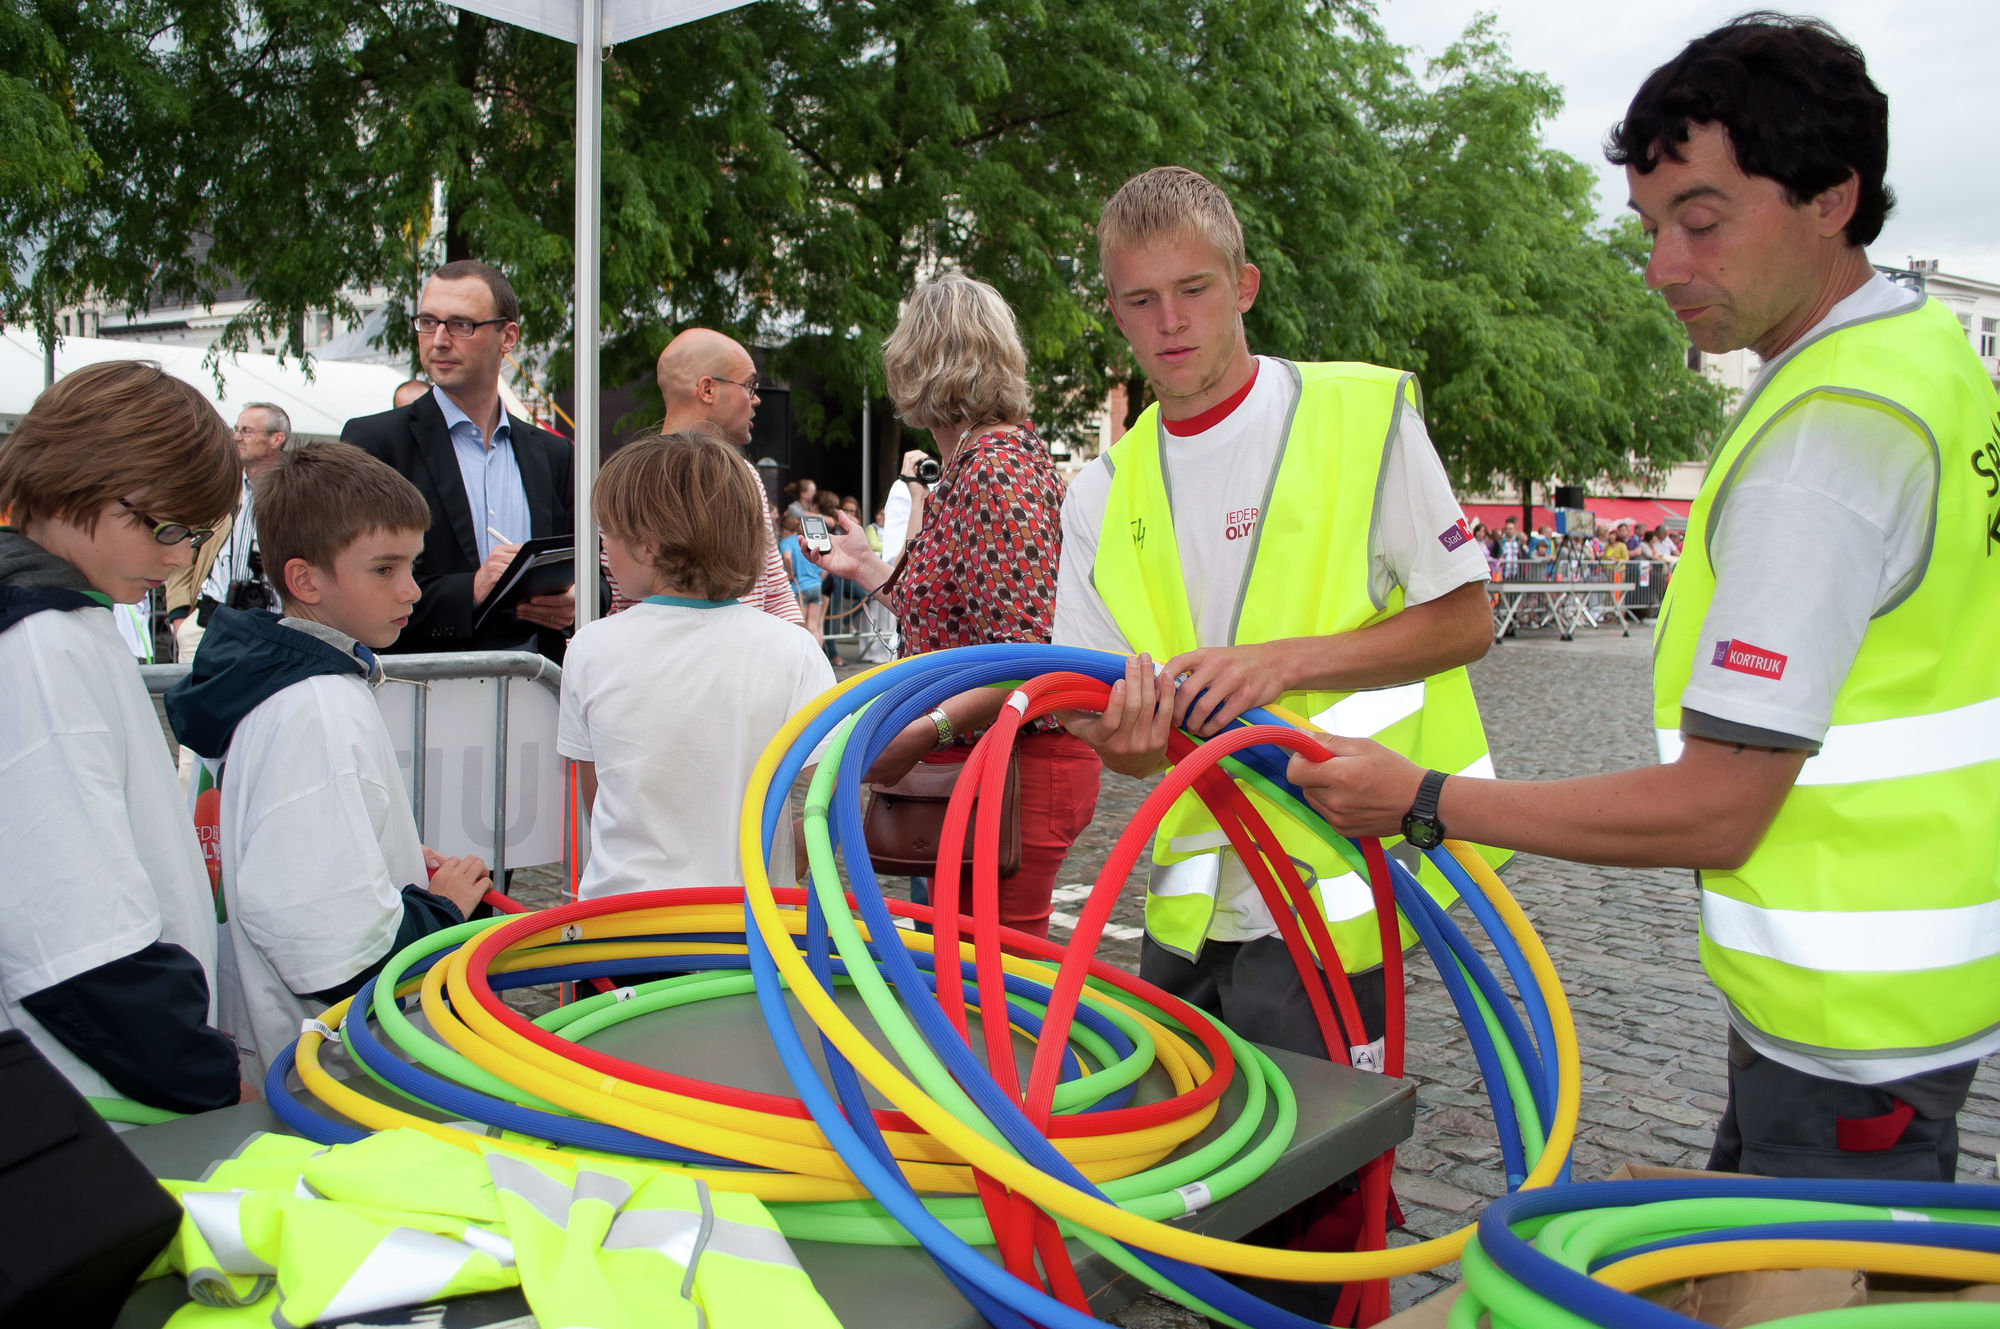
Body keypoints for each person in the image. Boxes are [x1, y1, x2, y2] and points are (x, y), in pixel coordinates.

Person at [1293, 14, 2000, 1182]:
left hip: (1845, 1017)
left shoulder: (1826, 438)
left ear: (1831, 195)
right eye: (1649, 226)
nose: (1661, 266)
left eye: (1702, 222)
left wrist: (1422, 799)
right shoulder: (1923, 360)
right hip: (1905, 977)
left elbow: (1715, 810)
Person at [1051, 164, 1500, 1062]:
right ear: (1113, 310)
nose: (1169, 322)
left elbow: (1467, 621)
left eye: (1193, 290)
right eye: (1141, 300)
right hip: (1191, 905)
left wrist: (1282, 663)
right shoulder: (1100, 491)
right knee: (1191, 1168)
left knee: (1318, 1175)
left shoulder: (1360, 416)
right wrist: (1122, 743)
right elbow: (1095, 708)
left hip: (1341, 877)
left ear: (1244, 287)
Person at [164, 443, 491, 1082]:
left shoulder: (271, 683)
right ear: (306, 579)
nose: (412, 590)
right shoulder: (317, 707)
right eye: (384, 569)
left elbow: (291, 852)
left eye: (413, 565)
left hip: (291, 1049)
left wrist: (380, 856)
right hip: (330, 1069)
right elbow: (334, 949)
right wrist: (443, 911)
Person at [808, 271, 1101, 941]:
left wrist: (928, 730)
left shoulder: (995, 466)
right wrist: (869, 568)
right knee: (965, 975)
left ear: (919, 364)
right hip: (985, 767)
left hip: (1009, 771)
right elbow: (961, 618)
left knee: (988, 983)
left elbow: (1026, 650)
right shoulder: (979, 462)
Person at [0, 360, 245, 1115]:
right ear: (75, 479)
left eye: (195, 535)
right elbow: (77, 947)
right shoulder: (39, 643)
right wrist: (205, 1079)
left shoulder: (71, 616)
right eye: (162, 527)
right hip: (91, 1096)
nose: (178, 558)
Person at [559, 428, 833, 898]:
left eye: (608, 536)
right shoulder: (793, 648)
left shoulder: (590, 647)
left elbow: (598, 795)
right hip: (748, 926)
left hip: (621, 922)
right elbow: (833, 784)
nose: (603, 551)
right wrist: (797, 856)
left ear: (647, 546)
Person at [341, 259, 576, 659]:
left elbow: (591, 574)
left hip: (538, 692)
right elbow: (351, 587)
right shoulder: (375, 443)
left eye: (461, 325)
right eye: (428, 322)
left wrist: (575, 601)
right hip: (423, 691)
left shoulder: (553, 454)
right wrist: (472, 588)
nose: (439, 340)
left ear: (508, 336)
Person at [647, 328, 802, 626]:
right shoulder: (636, 481)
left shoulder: (746, 476)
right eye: (750, 385)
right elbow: (618, 603)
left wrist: (803, 659)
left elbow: (775, 592)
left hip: (749, 667)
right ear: (707, 389)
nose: (756, 400)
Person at [778, 511, 826, 648]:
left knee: (801, 628)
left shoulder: (786, 542)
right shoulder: (806, 540)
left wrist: (790, 573)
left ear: (785, 530)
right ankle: (819, 660)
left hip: (800, 587)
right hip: (815, 585)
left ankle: (804, 665)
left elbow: (787, 557)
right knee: (814, 627)